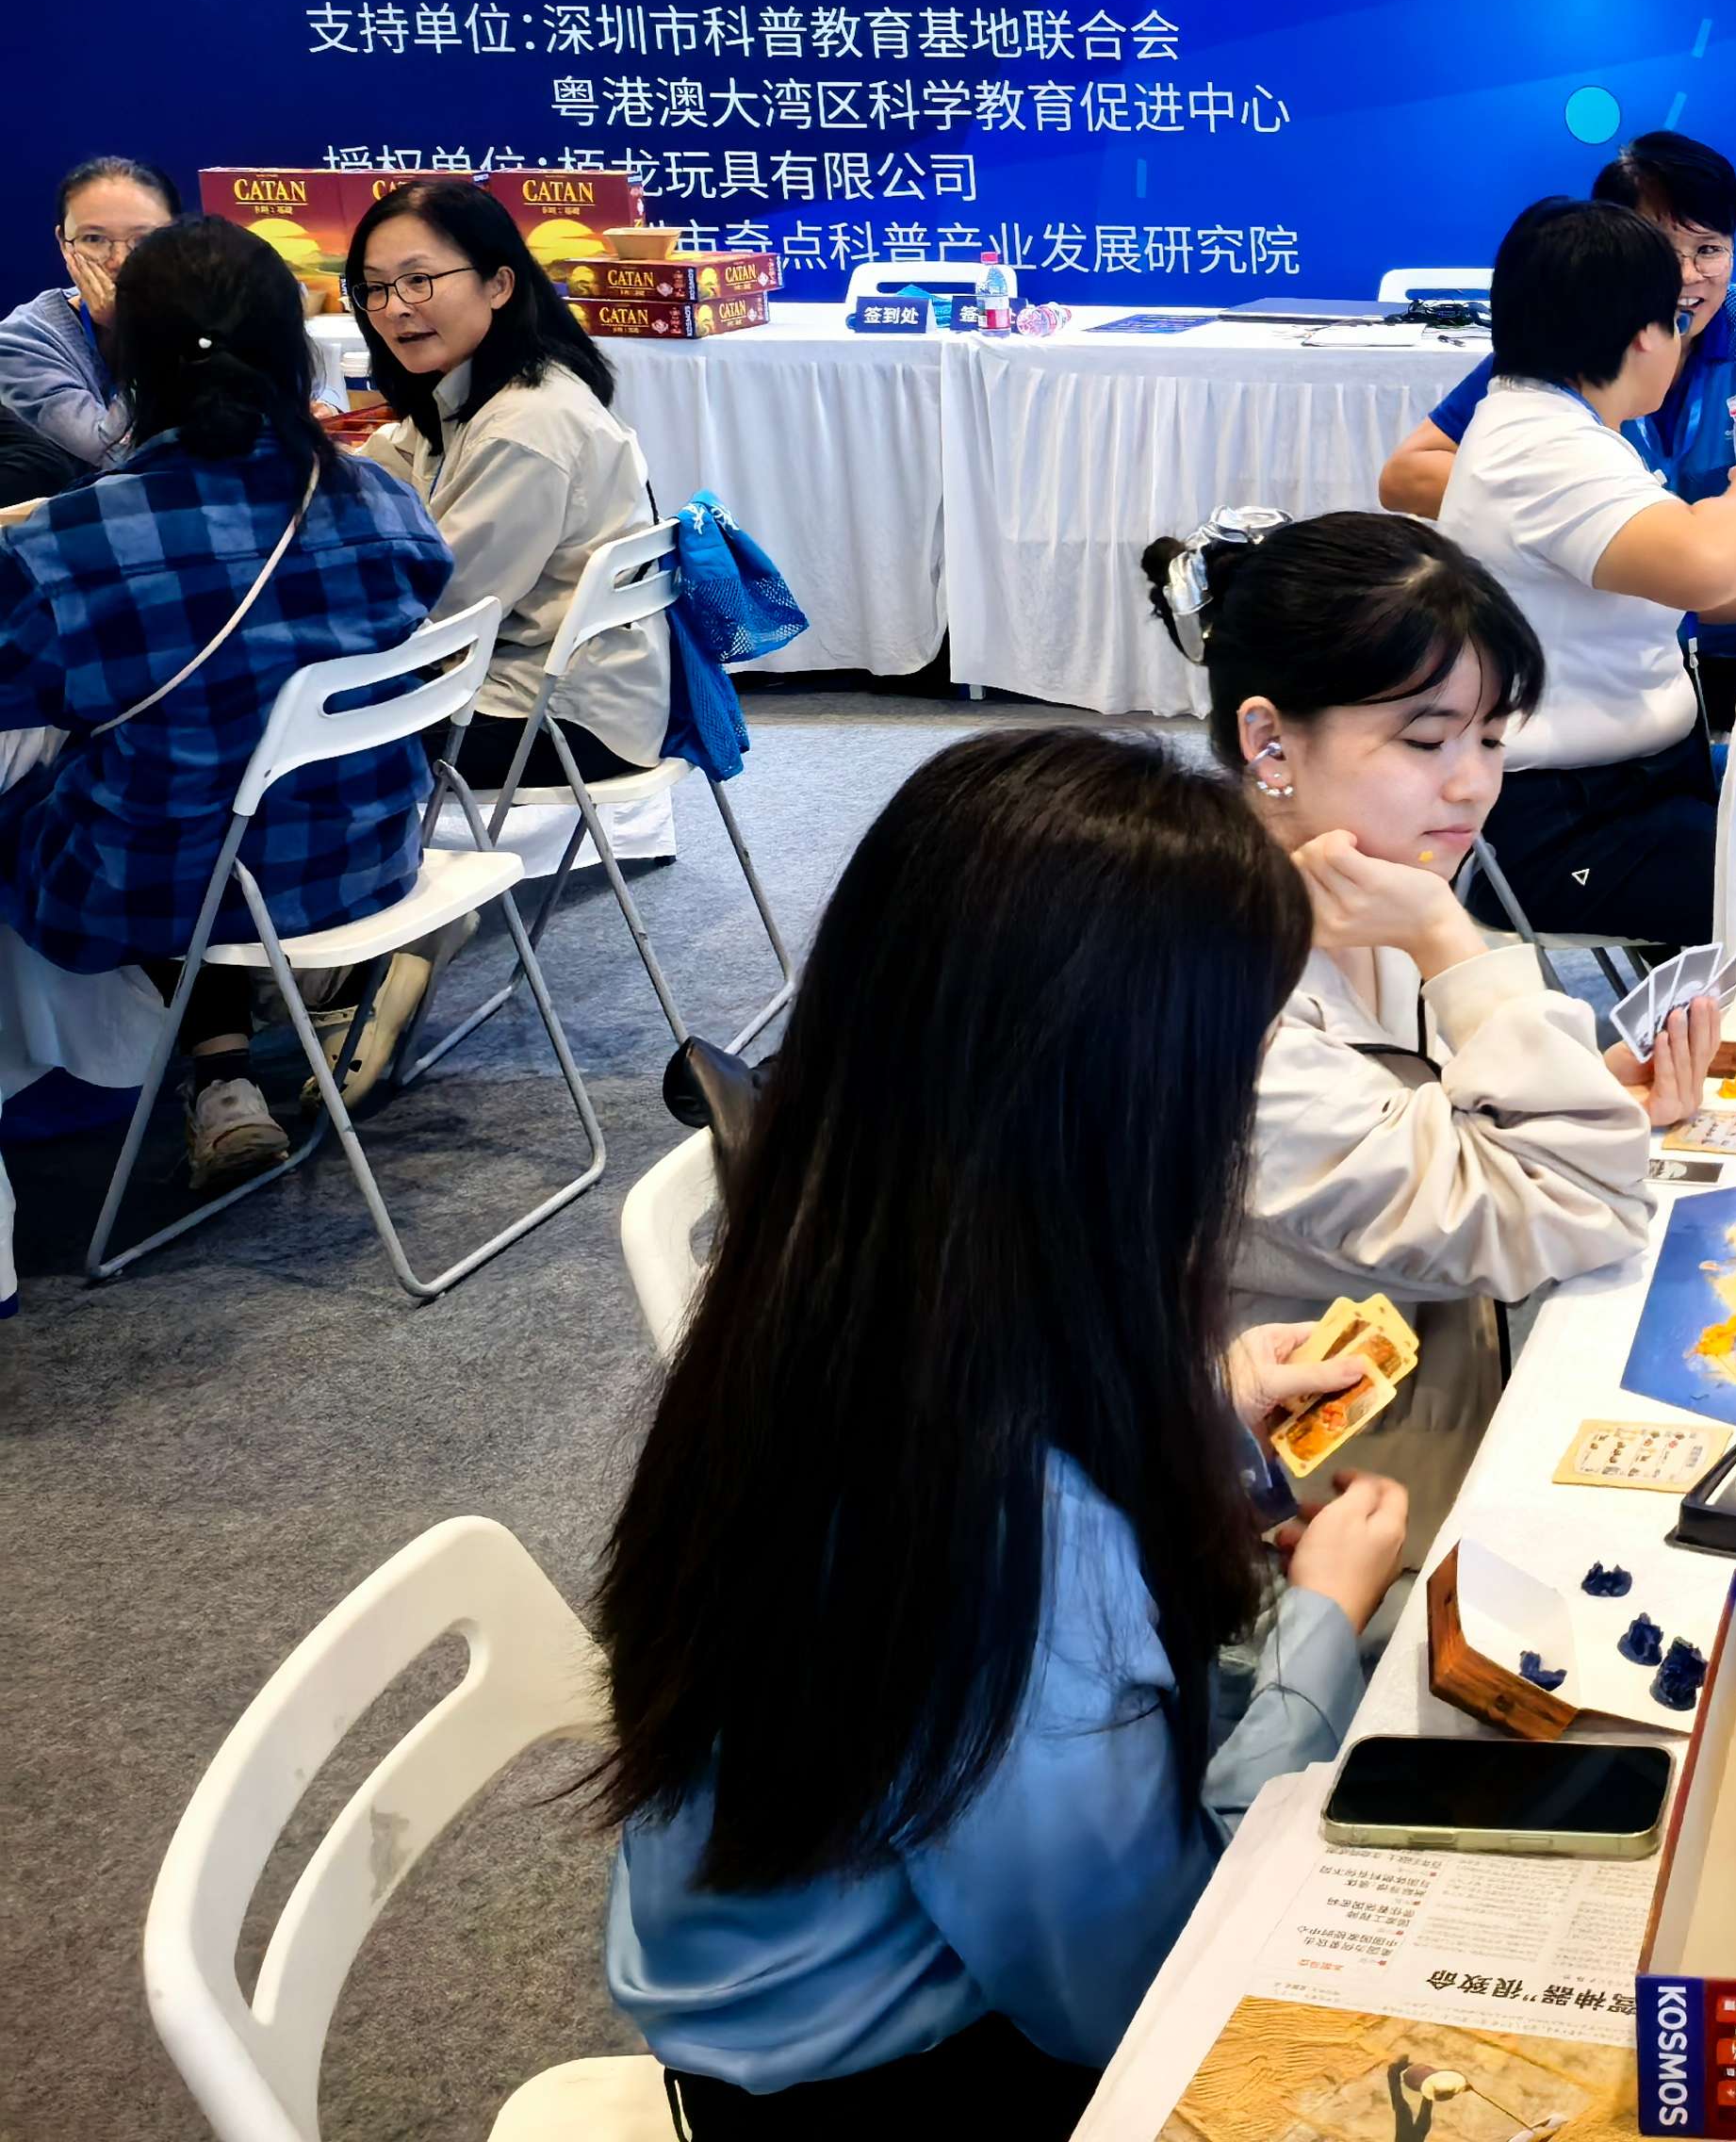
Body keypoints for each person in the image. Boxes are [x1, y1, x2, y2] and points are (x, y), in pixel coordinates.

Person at [598, 729, 1410, 2134]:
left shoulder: (834, 1285)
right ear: (1123, 1115)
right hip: (911, 2081)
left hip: (832, 1978)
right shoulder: (1002, 1526)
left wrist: (1194, 1412)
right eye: (1239, 1065)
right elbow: (1136, 1992)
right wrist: (1322, 1624)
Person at [1145, 508, 1703, 1531]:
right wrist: (1451, 945)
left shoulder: (1360, 885)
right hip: (1312, 1523)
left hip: (1430, 1432)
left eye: (1490, 738)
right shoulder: (1224, 986)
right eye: (1427, 739)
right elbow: (1577, 1207)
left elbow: (1461, 1132)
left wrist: (1572, 1092)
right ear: (1268, 741)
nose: (1475, 783)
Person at [0, 221, 450, 1185]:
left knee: (84, 796)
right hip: (368, 861)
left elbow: (23, 686)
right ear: (295, 350)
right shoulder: (385, 501)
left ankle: (69, 1081)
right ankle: (230, 1061)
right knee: (203, 777)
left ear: (124, 360)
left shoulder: (69, 545)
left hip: (146, 888)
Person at [341, 178, 672, 1092]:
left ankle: (381, 939)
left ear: (497, 282)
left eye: (419, 280)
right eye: (374, 288)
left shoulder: (525, 426)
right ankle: (365, 943)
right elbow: (393, 465)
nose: (394, 307)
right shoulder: (482, 394)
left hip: (558, 718)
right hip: (538, 687)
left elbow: (430, 606)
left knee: (285, 743)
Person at [1436, 196, 1736, 948]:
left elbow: (1688, 580)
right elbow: (1705, 570)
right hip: (1567, 820)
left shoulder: (1557, 426)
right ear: (1645, 335)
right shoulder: (1545, 448)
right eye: (1675, 319)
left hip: (1630, 782)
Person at [1381, 134, 1736, 732]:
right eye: (1660, 258)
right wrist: (1716, 510)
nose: (1687, 278)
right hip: (1587, 725)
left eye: (1710, 250)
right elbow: (1696, 567)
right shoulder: (1550, 399)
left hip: (1701, 654)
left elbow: (1707, 570)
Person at [0, 156, 192, 473]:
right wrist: (135, 330)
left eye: (145, 239)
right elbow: (118, 458)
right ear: (64, 245)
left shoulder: (212, 314)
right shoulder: (21, 343)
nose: (119, 261)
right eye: (94, 239)